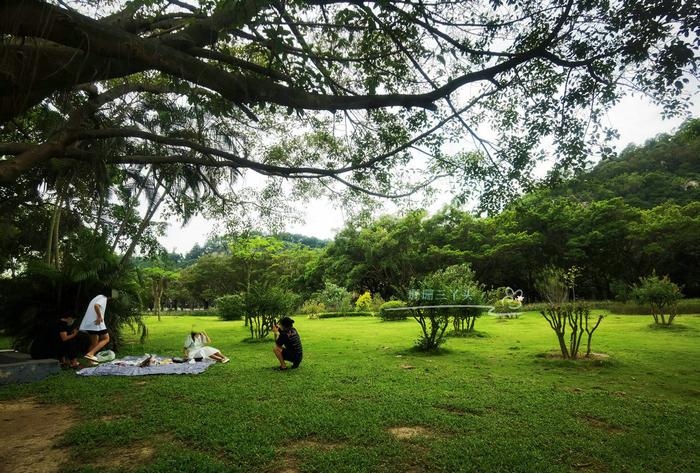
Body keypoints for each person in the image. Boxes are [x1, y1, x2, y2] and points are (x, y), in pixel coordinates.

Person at [79, 293, 110, 363]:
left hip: (90, 323)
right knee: (106, 338)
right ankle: (90, 354)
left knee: (94, 343)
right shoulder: (103, 298)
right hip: (96, 323)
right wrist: (99, 316)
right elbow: (96, 306)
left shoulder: (98, 297)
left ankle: (90, 361)